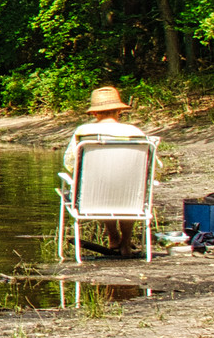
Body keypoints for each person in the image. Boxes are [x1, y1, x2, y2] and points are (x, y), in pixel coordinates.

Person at [63, 85, 151, 254]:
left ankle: (113, 236)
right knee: (126, 188)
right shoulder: (135, 132)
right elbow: (151, 165)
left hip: (94, 196)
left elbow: (70, 163)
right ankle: (125, 243)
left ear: (95, 113)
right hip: (131, 196)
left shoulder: (83, 132)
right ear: (119, 111)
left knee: (99, 184)